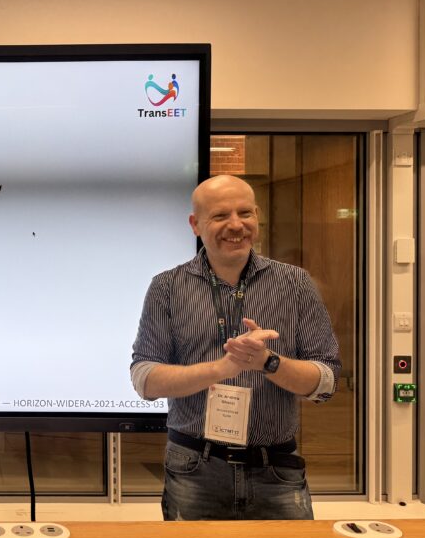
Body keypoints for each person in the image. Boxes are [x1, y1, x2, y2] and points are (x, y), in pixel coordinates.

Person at [130, 174, 340, 520]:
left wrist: (269, 363)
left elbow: (326, 381)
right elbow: (145, 379)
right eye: (220, 216)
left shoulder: (296, 284)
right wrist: (223, 368)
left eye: (245, 213)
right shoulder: (167, 287)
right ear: (195, 225)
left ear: (257, 217)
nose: (235, 225)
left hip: (276, 469)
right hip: (193, 468)